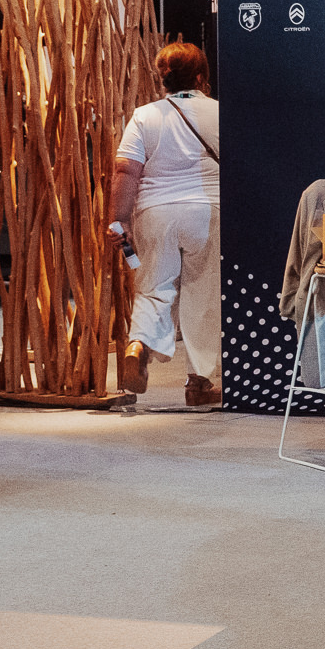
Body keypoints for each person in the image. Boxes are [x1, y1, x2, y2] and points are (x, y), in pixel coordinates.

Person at [111, 42, 220, 404]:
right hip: (207, 211)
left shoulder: (145, 116)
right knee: (203, 293)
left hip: (155, 213)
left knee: (154, 286)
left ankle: (139, 345)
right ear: (201, 77)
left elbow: (126, 170)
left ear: (163, 79)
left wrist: (119, 219)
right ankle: (200, 382)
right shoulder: (221, 113)